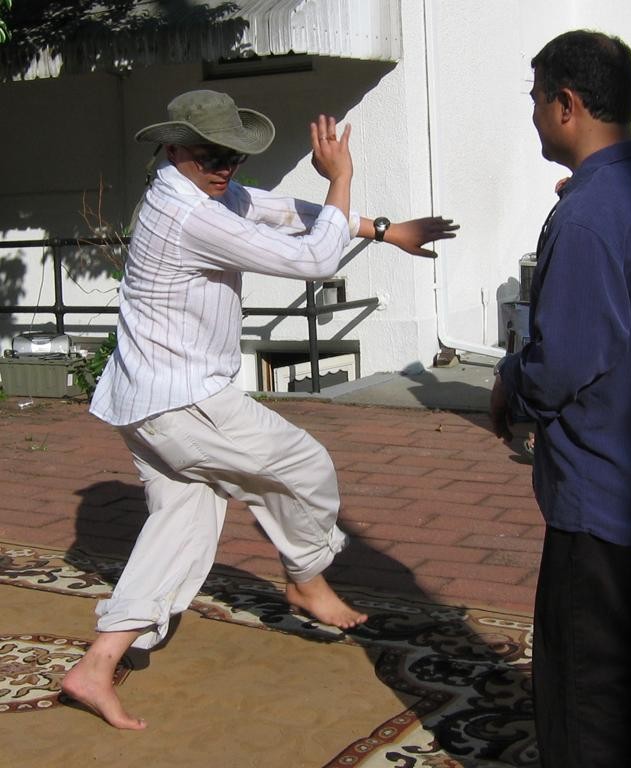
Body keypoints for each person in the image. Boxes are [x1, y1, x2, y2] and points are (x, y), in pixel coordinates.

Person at [61, 89, 459, 729]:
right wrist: (341, 177)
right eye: (210, 156)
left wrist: (384, 230)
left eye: (233, 157)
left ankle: (97, 665)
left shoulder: (194, 190)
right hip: (182, 400)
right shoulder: (190, 214)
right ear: (174, 148)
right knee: (303, 464)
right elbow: (314, 260)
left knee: (182, 525)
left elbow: (283, 212)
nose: (224, 167)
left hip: (144, 397)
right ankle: (306, 576)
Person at [490, 31, 631, 768]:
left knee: (590, 706)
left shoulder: (589, 214)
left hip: (603, 509)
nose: (533, 114)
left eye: (536, 99)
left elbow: (565, 362)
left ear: (567, 104)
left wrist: (510, 380)